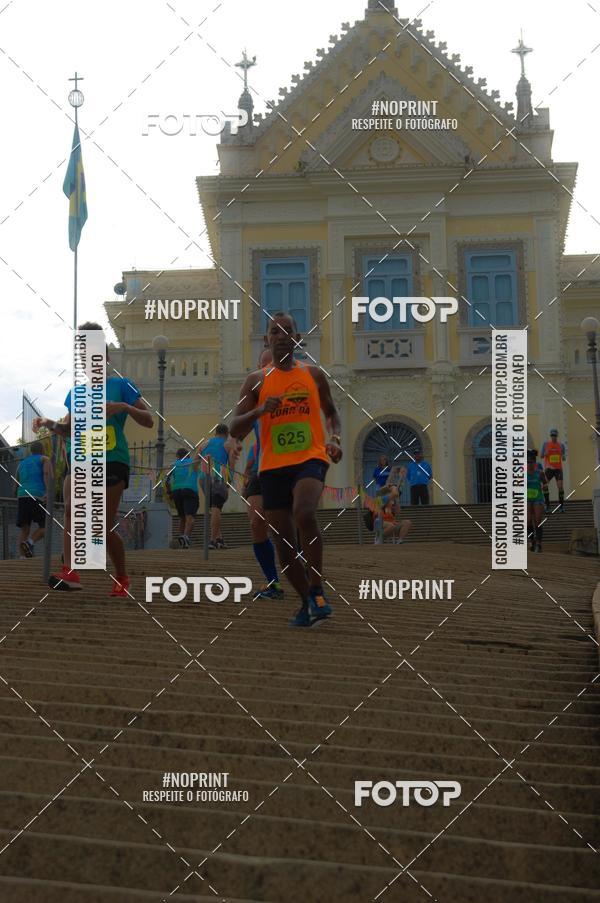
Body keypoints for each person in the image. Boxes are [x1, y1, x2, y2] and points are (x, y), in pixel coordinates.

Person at [230, 312, 342, 628]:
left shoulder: (314, 376)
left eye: (287, 331)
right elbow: (234, 426)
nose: (281, 335)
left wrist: (335, 439)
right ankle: (308, 602)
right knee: (283, 541)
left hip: (310, 458)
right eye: (274, 331)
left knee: (305, 513)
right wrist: (259, 410)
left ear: (296, 338)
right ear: (266, 339)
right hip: (273, 466)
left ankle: (318, 590)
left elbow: (332, 414)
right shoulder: (255, 381)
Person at [33, 322, 153, 595]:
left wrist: (123, 407)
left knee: (101, 526)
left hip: (113, 460)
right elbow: (67, 430)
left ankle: (122, 576)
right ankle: (70, 572)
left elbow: (148, 421)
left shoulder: (122, 386)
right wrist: (47, 422)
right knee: (73, 511)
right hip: (81, 462)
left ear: (106, 357)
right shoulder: (75, 394)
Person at [242, 348, 284, 600]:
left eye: (272, 365)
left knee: (286, 527)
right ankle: (273, 582)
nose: (266, 370)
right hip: (262, 468)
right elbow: (242, 422)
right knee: (257, 522)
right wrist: (234, 441)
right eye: (262, 365)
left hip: (289, 467)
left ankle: (310, 583)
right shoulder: (254, 395)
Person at [198, 424, 235, 550]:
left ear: (215, 433)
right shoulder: (228, 444)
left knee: (214, 510)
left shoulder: (205, 443)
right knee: (216, 508)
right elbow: (231, 466)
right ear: (227, 433)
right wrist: (229, 483)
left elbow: (195, 460)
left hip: (203, 478)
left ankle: (219, 539)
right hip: (218, 478)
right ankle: (212, 540)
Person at [15, 440, 53, 558]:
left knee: (25, 529)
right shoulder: (44, 459)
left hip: (22, 496)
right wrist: (48, 491)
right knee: (45, 527)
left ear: (31, 451)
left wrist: (16, 494)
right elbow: (46, 474)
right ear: (42, 450)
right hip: (36, 495)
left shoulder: (21, 463)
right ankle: (29, 542)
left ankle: (22, 558)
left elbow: (16, 481)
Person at [166, 448, 200, 548]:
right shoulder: (193, 462)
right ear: (188, 455)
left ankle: (182, 539)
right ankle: (185, 537)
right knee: (190, 517)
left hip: (176, 491)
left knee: (182, 517)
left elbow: (167, 481)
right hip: (190, 490)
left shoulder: (174, 465)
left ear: (177, 456)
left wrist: (170, 493)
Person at [527, 448, 547, 553]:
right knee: (528, 521)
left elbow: (545, 482)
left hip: (538, 499)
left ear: (535, 463)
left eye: (532, 462)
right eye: (528, 462)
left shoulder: (539, 473)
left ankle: (539, 543)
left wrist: (544, 487)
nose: (530, 464)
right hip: (526, 499)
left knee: (538, 520)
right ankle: (531, 541)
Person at [541, 428, 566, 513]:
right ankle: (547, 506)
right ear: (550, 436)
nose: (553, 437)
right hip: (549, 469)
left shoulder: (561, 445)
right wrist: (545, 454)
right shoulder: (546, 444)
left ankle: (561, 506)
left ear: (557, 436)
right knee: (544, 486)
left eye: (555, 435)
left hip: (558, 469)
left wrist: (563, 456)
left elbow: (564, 457)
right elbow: (541, 455)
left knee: (560, 487)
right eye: (552, 435)